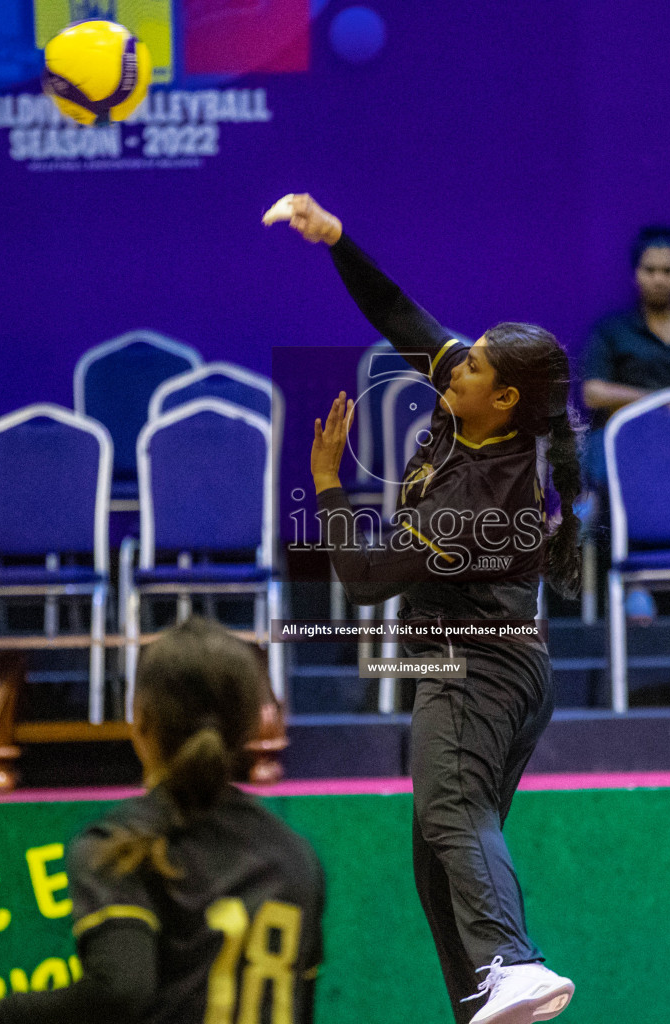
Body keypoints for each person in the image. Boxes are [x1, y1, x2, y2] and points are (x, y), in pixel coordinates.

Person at [265, 193, 576, 1024]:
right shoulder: (467, 408)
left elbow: (364, 579)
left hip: (480, 668)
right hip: (476, 662)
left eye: (472, 366)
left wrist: (328, 483)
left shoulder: (482, 495)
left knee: (452, 814)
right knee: (438, 861)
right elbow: (399, 312)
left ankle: (514, 961)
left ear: (505, 400)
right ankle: (481, 999)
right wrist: (337, 240)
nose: (451, 364)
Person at [0, 617, 325, 1024]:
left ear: (140, 719)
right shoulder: (296, 857)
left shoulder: (121, 843)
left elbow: (121, 989)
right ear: (252, 725)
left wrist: (4, 1016)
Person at [581, 226, 670, 622]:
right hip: (625, 444)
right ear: (635, 274)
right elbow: (593, 393)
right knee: (603, 457)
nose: (658, 279)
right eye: (649, 270)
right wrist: (659, 403)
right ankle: (632, 582)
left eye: (668, 270)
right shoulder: (613, 332)